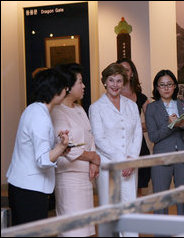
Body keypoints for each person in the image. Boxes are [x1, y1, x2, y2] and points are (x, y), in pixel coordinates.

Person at [6, 69, 70, 226]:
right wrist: (61, 147)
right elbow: (42, 159)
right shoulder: (39, 116)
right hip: (29, 189)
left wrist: (59, 148)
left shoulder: (35, 109)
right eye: (64, 87)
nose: (66, 90)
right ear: (54, 89)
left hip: (25, 186)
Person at [89, 63, 142, 236]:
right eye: (111, 80)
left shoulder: (132, 105)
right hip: (109, 166)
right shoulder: (96, 108)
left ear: (124, 82)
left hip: (130, 165)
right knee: (110, 212)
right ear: (104, 81)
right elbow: (99, 139)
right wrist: (122, 160)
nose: (115, 84)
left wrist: (132, 158)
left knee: (129, 209)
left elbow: (137, 134)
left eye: (119, 81)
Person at [50, 63, 100, 237]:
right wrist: (93, 157)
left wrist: (94, 163)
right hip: (68, 179)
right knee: (72, 229)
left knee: (86, 228)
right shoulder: (57, 111)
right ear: (68, 87)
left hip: (85, 178)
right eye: (80, 82)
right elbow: (67, 147)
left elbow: (90, 136)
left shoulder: (79, 109)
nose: (84, 86)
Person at [145, 69, 184, 215]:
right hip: (162, 157)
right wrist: (170, 125)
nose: (166, 88)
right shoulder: (151, 108)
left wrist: (182, 124)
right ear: (157, 88)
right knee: (161, 200)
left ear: (175, 86)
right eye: (162, 85)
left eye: (169, 84)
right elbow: (153, 137)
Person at [116, 58, 151, 197]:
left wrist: (136, 128)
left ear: (132, 74)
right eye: (120, 69)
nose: (123, 73)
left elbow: (152, 122)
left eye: (127, 70)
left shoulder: (141, 97)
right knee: (121, 187)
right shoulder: (112, 96)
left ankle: (137, 217)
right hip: (118, 147)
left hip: (138, 147)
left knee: (138, 188)